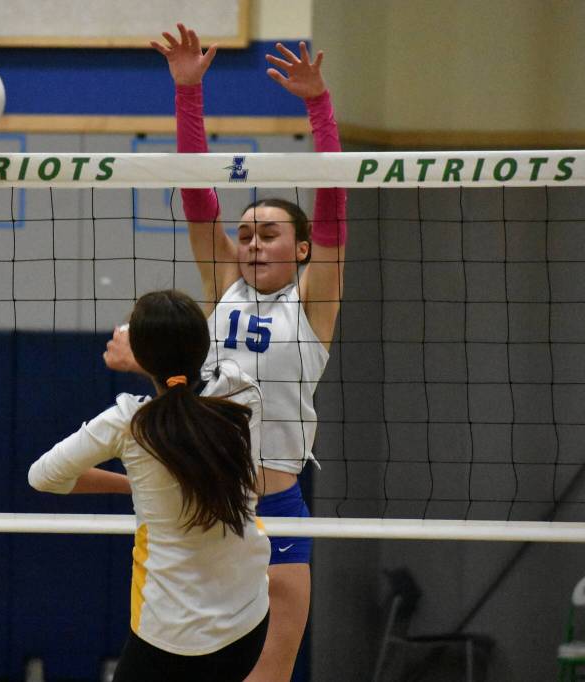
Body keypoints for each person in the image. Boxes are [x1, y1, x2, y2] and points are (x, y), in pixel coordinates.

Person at [143, 25, 347, 681]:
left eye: (270, 233)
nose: (253, 244)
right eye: (246, 233)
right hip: (203, 507)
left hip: (278, 507)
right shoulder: (221, 288)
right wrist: (188, 94)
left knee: (268, 672)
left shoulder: (313, 306)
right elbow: (198, 195)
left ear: (305, 248)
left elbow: (335, 203)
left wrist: (319, 107)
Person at [30, 290, 271, 682]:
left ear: (143, 358)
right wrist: (150, 359)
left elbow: (42, 476)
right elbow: (189, 387)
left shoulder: (128, 422)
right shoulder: (242, 395)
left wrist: (131, 486)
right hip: (246, 624)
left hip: (170, 635)